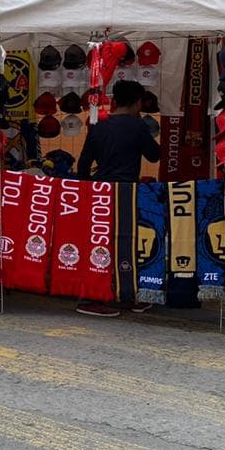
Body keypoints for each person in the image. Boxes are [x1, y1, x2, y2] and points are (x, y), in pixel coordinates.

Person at [75, 79, 160, 318]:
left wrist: (90, 187)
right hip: (125, 192)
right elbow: (154, 157)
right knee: (126, 244)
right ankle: (123, 295)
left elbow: (83, 165)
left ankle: (93, 295)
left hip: (99, 191)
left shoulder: (99, 127)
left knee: (99, 244)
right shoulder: (137, 126)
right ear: (138, 102)